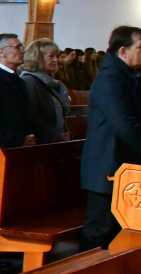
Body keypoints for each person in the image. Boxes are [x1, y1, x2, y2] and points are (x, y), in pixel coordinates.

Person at [80, 26, 141, 249]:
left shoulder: (127, 76)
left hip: (123, 165)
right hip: (107, 165)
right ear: (123, 51)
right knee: (100, 229)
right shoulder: (110, 79)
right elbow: (124, 124)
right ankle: (85, 270)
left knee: (119, 230)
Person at [21, 39, 71, 145]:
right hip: (41, 143)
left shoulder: (52, 82)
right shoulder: (29, 81)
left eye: (56, 56)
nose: (56, 60)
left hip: (56, 140)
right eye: (51, 56)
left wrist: (65, 132)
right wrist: (56, 135)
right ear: (37, 58)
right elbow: (32, 117)